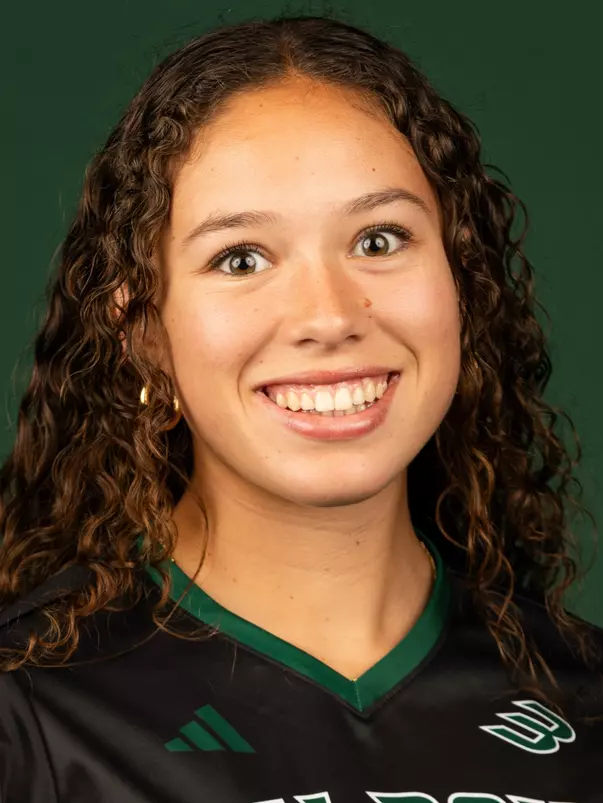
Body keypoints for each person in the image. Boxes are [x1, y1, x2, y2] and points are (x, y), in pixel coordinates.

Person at [0, 12, 601, 803]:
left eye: (380, 239)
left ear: (463, 281)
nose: (328, 315)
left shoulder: (581, 698)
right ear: (143, 332)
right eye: (240, 258)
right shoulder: (30, 709)